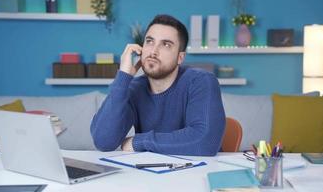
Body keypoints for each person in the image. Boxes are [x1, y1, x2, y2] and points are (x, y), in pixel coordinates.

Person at [90, 14, 225, 156]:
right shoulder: (134, 89)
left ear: (180, 57)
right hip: (150, 173)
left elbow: (205, 142)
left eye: (166, 44)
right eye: (149, 41)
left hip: (199, 172)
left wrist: (140, 142)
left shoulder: (201, 81)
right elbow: (103, 141)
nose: (153, 51)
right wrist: (123, 77)